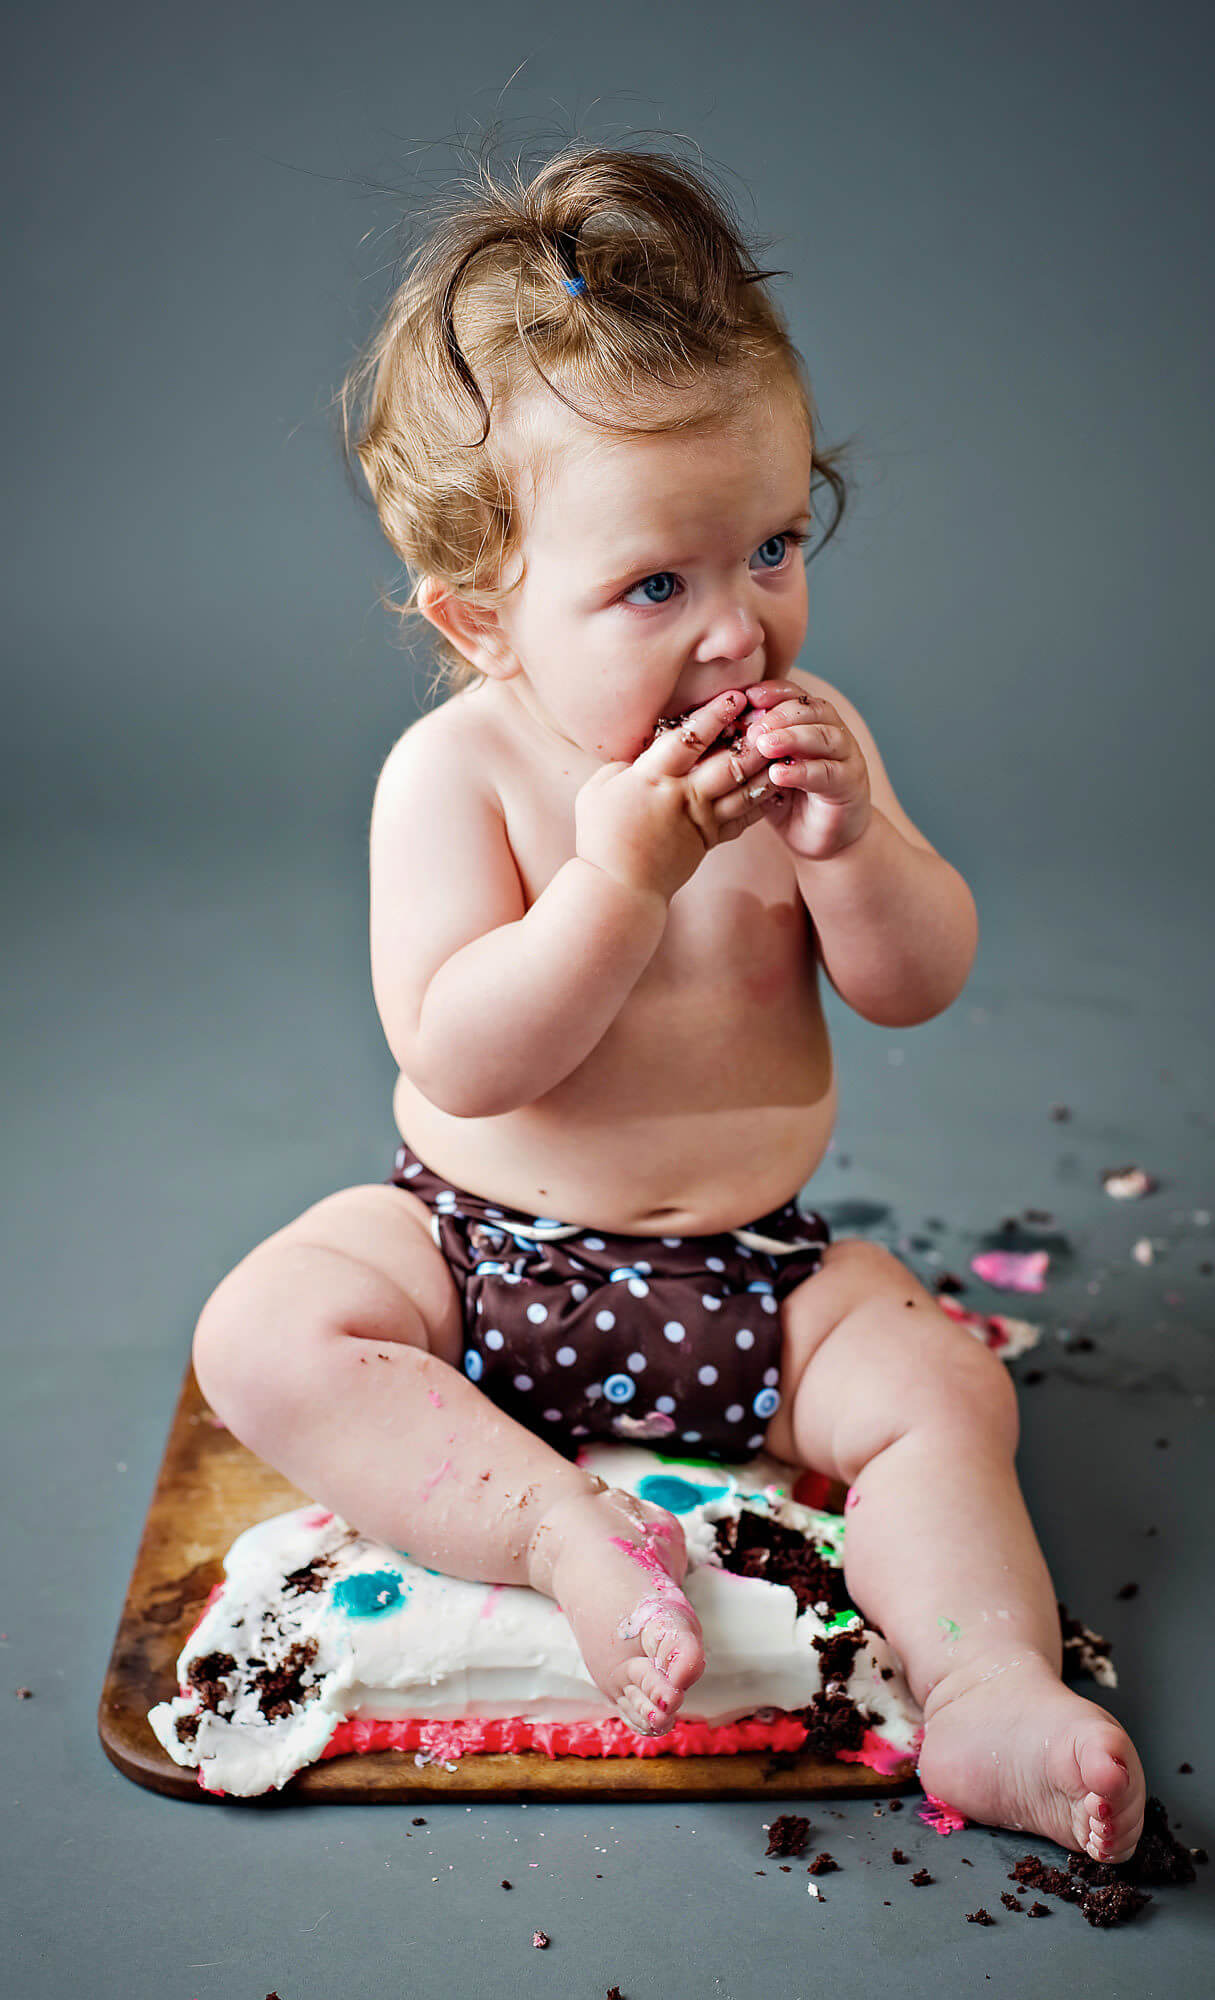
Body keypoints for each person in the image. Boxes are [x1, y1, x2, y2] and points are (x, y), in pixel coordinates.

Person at [192, 142, 1145, 1859]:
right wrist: (618, 880)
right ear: (484, 618)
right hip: (480, 1258)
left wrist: (852, 845)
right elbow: (465, 1059)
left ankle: (989, 1688)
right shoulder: (458, 773)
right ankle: (552, 1528)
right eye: (657, 588)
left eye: (771, 550)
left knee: (942, 1395)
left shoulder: (808, 746)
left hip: (748, 1276)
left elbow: (915, 984)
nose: (738, 638)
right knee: (266, 1328)